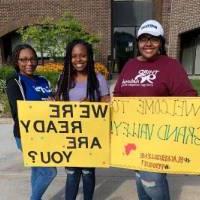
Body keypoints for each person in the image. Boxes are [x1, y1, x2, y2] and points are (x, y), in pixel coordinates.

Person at [113, 19, 197, 200]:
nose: (148, 44)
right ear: (137, 43)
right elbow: (119, 94)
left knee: (152, 180)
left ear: (161, 42)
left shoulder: (170, 66)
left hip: (158, 139)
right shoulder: (130, 65)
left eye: (154, 39)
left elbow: (188, 97)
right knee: (140, 178)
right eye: (143, 39)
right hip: (132, 136)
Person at [55, 39, 110, 200]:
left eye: (83, 56)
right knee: (72, 172)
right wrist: (53, 103)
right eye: (74, 56)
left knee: (87, 172)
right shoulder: (64, 77)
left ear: (89, 57)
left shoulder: (98, 78)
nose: (78, 60)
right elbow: (58, 102)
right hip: (70, 135)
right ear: (69, 58)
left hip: (91, 135)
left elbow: (107, 103)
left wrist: (92, 104)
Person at [6, 44, 57, 200]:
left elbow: (52, 102)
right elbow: (18, 111)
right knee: (49, 171)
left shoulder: (43, 80)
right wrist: (45, 106)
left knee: (37, 170)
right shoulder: (14, 81)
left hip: (45, 132)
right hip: (27, 135)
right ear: (17, 61)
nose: (29, 63)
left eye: (32, 59)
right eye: (24, 59)